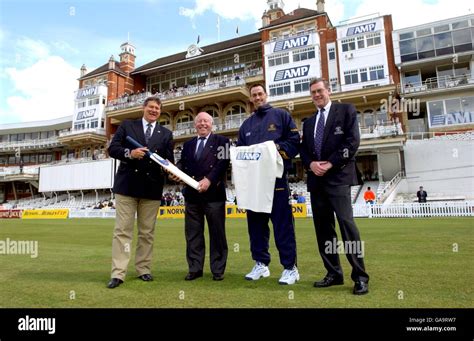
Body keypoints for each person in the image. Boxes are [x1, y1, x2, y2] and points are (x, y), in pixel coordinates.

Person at [300, 78, 369, 295]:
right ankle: (333, 273)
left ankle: (360, 277)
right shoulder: (309, 122)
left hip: (338, 178)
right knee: (323, 230)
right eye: (313, 92)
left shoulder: (346, 110)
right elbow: (303, 151)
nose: (317, 95)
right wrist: (311, 163)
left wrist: (330, 163)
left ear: (328, 91)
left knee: (347, 226)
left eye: (320, 90)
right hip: (316, 181)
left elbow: (352, 142)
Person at [106, 97, 174, 289]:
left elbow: (168, 161)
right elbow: (113, 149)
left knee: (147, 233)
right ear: (143, 108)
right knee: (122, 231)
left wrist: (173, 172)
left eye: (157, 108)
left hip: (152, 189)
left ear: (160, 112)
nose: (154, 110)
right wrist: (130, 154)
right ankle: (118, 273)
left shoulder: (166, 134)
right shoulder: (128, 125)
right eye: (151, 107)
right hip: (127, 187)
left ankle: (144, 269)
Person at [237, 84, 300, 285]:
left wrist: (275, 149)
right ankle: (261, 264)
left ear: (266, 95)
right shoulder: (246, 125)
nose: (257, 97)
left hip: (277, 182)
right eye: (254, 95)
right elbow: (241, 156)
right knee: (256, 227)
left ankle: (290, 268)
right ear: (251, 99)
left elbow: (294, 142)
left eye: (260, 94)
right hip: (254, 185)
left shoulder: (281, 115)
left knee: (283, 226)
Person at [170, 112, 230, 281]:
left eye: (206, 121)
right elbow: (183, 164)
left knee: (217, 234)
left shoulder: (222, 141)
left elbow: (223, 163)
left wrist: (209, 179)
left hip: (214, 195)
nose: (203, 124)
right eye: (199, 121)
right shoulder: (188, 144)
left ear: (212, 124)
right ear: (195, 125)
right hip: (192, 196)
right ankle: (195, 269)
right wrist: (176, 172)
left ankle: (218, 270)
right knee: (193, 234)